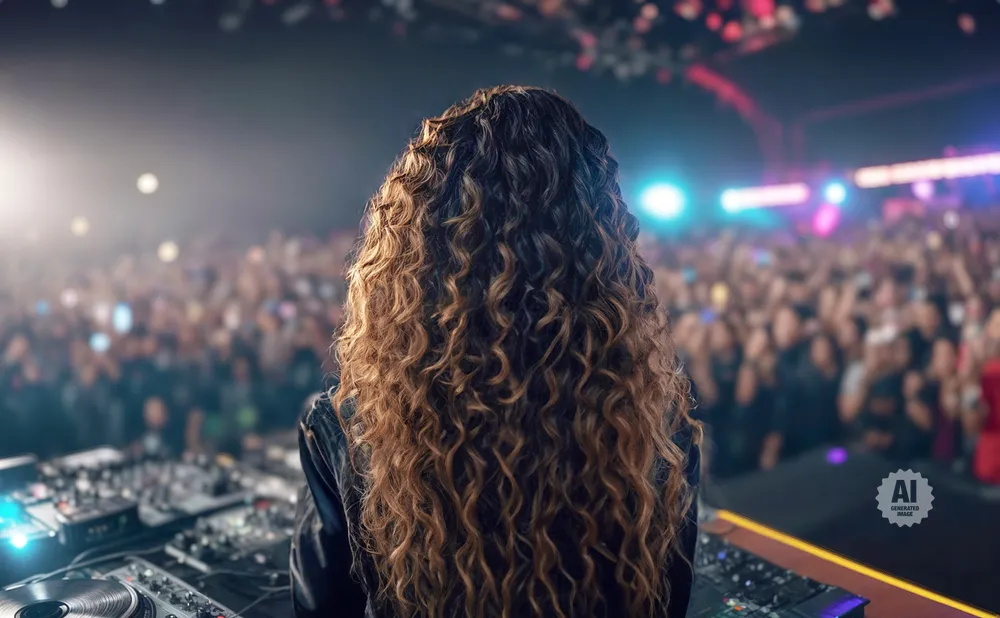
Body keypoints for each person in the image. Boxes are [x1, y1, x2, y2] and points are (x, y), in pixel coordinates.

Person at [291, 86, 702, 618]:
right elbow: (665, 605)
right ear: (600, 246)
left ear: (413, 254)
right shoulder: (654, 421)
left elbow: (321, 611)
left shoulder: (345, 425)